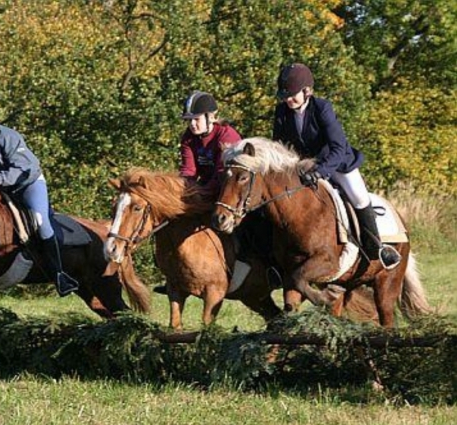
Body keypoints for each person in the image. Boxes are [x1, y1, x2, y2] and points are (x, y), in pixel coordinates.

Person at [273, 63, 401, 269]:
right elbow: (280, 147)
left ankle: (376, 247)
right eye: (285, 96)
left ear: (307, 91)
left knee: (359, 197)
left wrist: (320, 172)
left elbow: (338, 147)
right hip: (304, 168)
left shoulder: (322, 108)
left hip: (337, 164)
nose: (288, 100)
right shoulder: (281, 112)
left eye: (293, 95)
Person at [153, 91, 281, 293]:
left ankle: (269, 269)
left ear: (211, 117)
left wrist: (201, 191)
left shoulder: (226, 135)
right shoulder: (188, 138)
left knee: (253, 227)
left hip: (231, 191)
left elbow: (223, 173)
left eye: (196, 120)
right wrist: (183, 194)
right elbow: (188, 171)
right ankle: (174, 277)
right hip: (205, 191)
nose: (192, 125)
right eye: (189, 121)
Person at [0, 88, 79, 298]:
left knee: (41, 222)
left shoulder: (7, 136)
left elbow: (24, 168)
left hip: (28, 184)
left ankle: (60, 275)